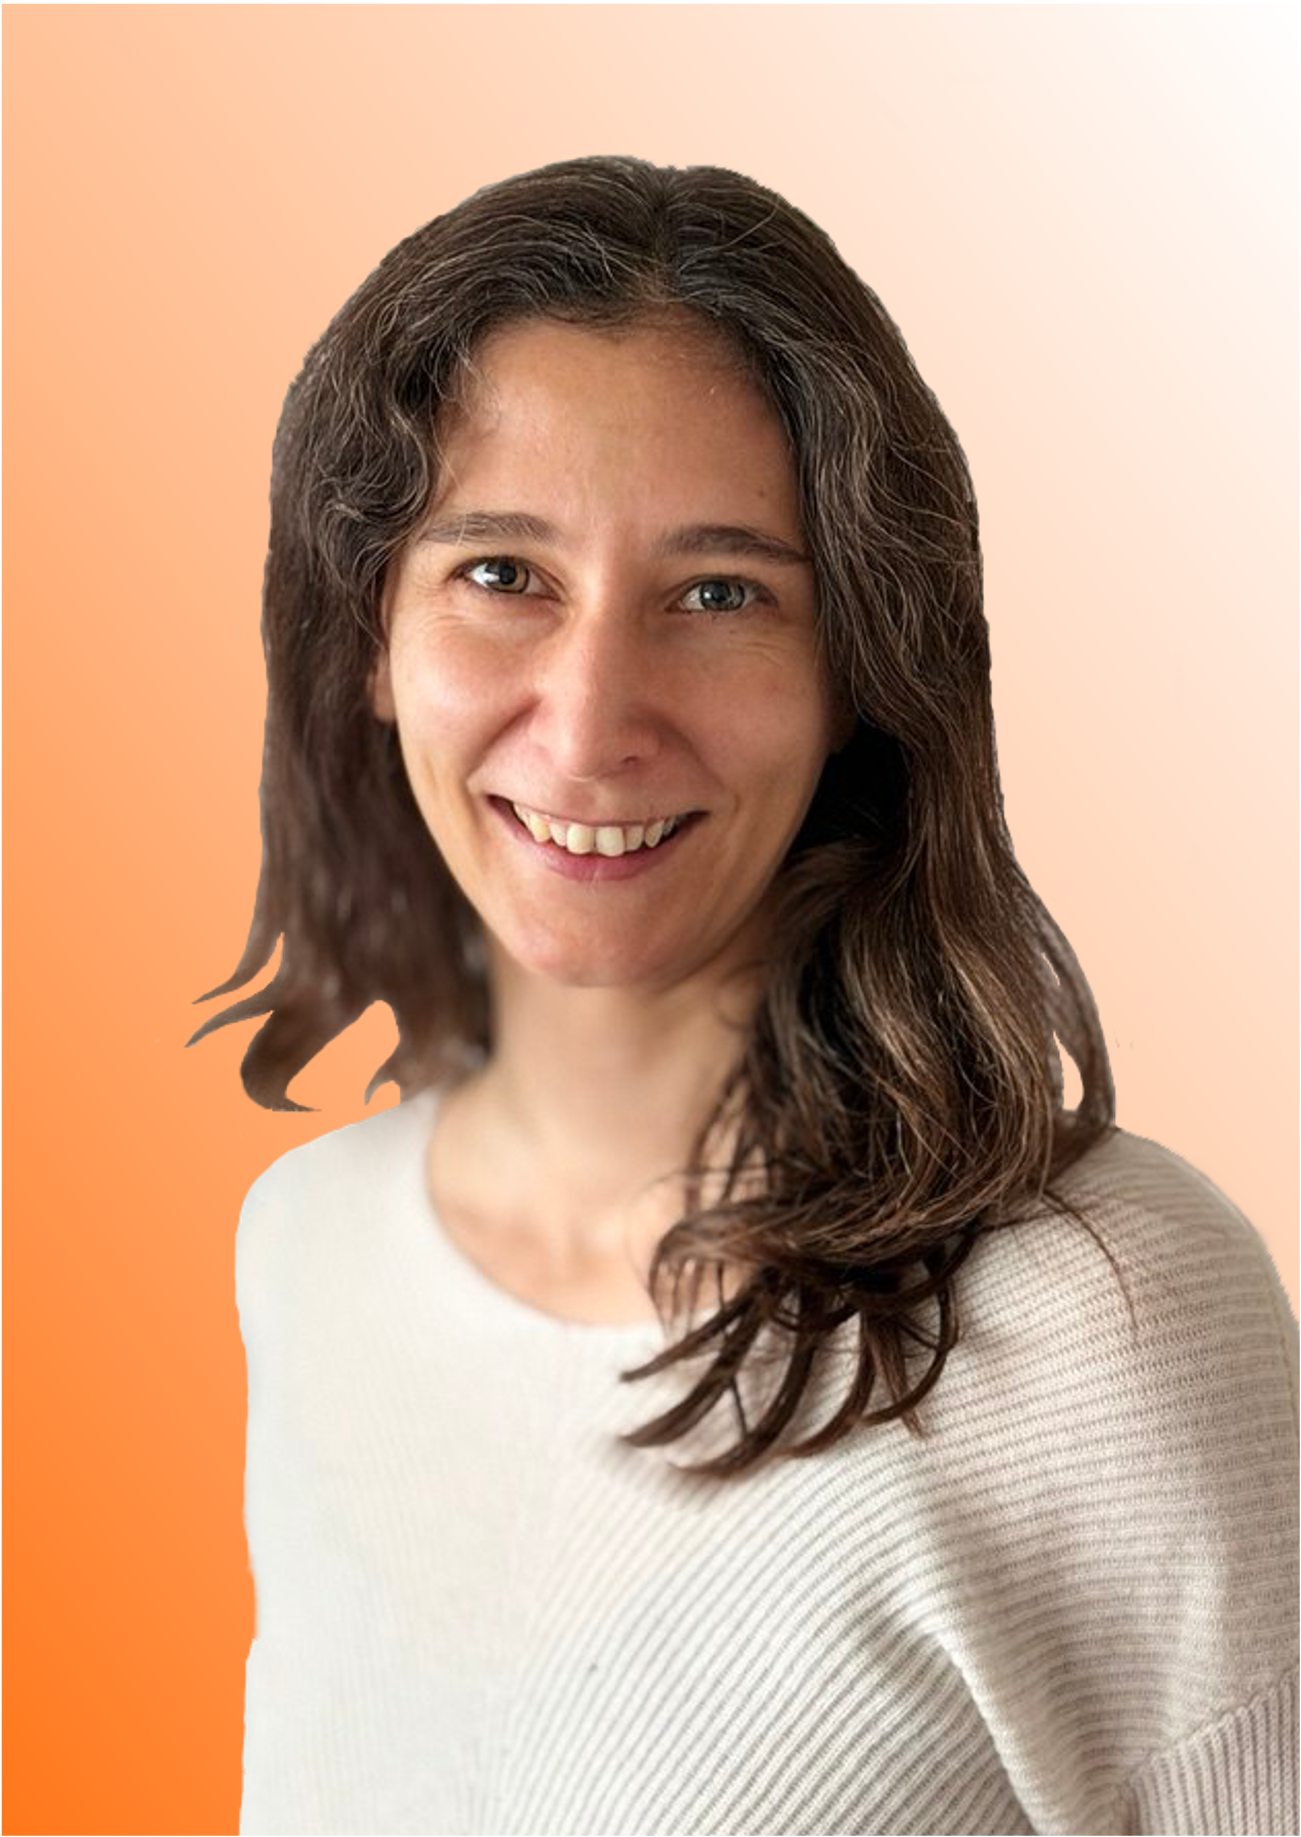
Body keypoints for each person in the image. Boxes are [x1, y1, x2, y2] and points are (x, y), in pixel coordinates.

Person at [192, 156, 1299, 1837]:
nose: (589, 726)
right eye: (502, 574)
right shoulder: (307, 1251)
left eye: (721, 595)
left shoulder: (1101, 1319)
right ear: (366, 630)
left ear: (861, 667)